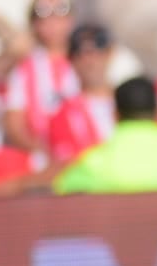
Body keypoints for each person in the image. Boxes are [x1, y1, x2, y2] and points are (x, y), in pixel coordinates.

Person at [1, 0, 78, 161]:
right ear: (34, 24)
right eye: (43, 14)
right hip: (41, 159)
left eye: (60, 10)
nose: (52, 21)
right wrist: (43, 153)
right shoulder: (24, 69)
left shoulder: (86, 59)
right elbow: (14, 124)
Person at [46, 23, 117, 169]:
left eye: (98, 51)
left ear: (110, 54)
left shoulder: (130, 101)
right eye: (81, 54)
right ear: (72, 60)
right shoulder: (62, 112)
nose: (90, 60)